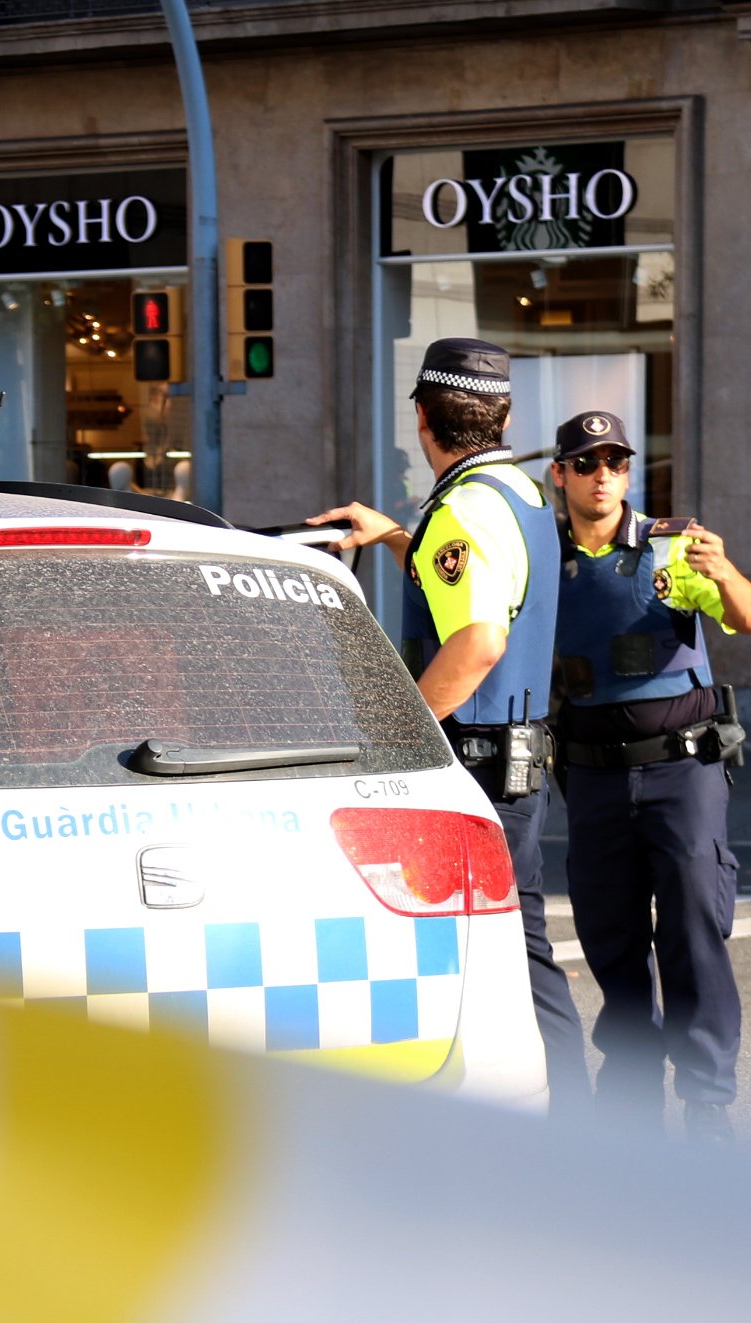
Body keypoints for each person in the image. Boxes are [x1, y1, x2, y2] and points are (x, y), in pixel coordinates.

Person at [308, 337, 588, 1112]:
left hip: (475, 764)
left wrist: (399, 736)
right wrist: (397, 535)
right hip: (516, 758)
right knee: (520, 949)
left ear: (423, 420)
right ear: (502, 417)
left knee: (494, 957)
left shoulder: (462, 507)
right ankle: (568, 1123)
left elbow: (479, 638)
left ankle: (561, 1130)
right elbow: (477, 584)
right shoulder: (520, 493)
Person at [547, 411, 751, 1139]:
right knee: (609, 935)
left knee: (693, 928)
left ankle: (708, 1103)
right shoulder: (541, 556)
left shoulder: (673, 547)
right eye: (587, 463)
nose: (602, 475)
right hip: (594, 777)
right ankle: (632, 1095)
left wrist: (725, 572)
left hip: (681, 769)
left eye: (615, 462)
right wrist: (393, 538)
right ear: (561, 474)